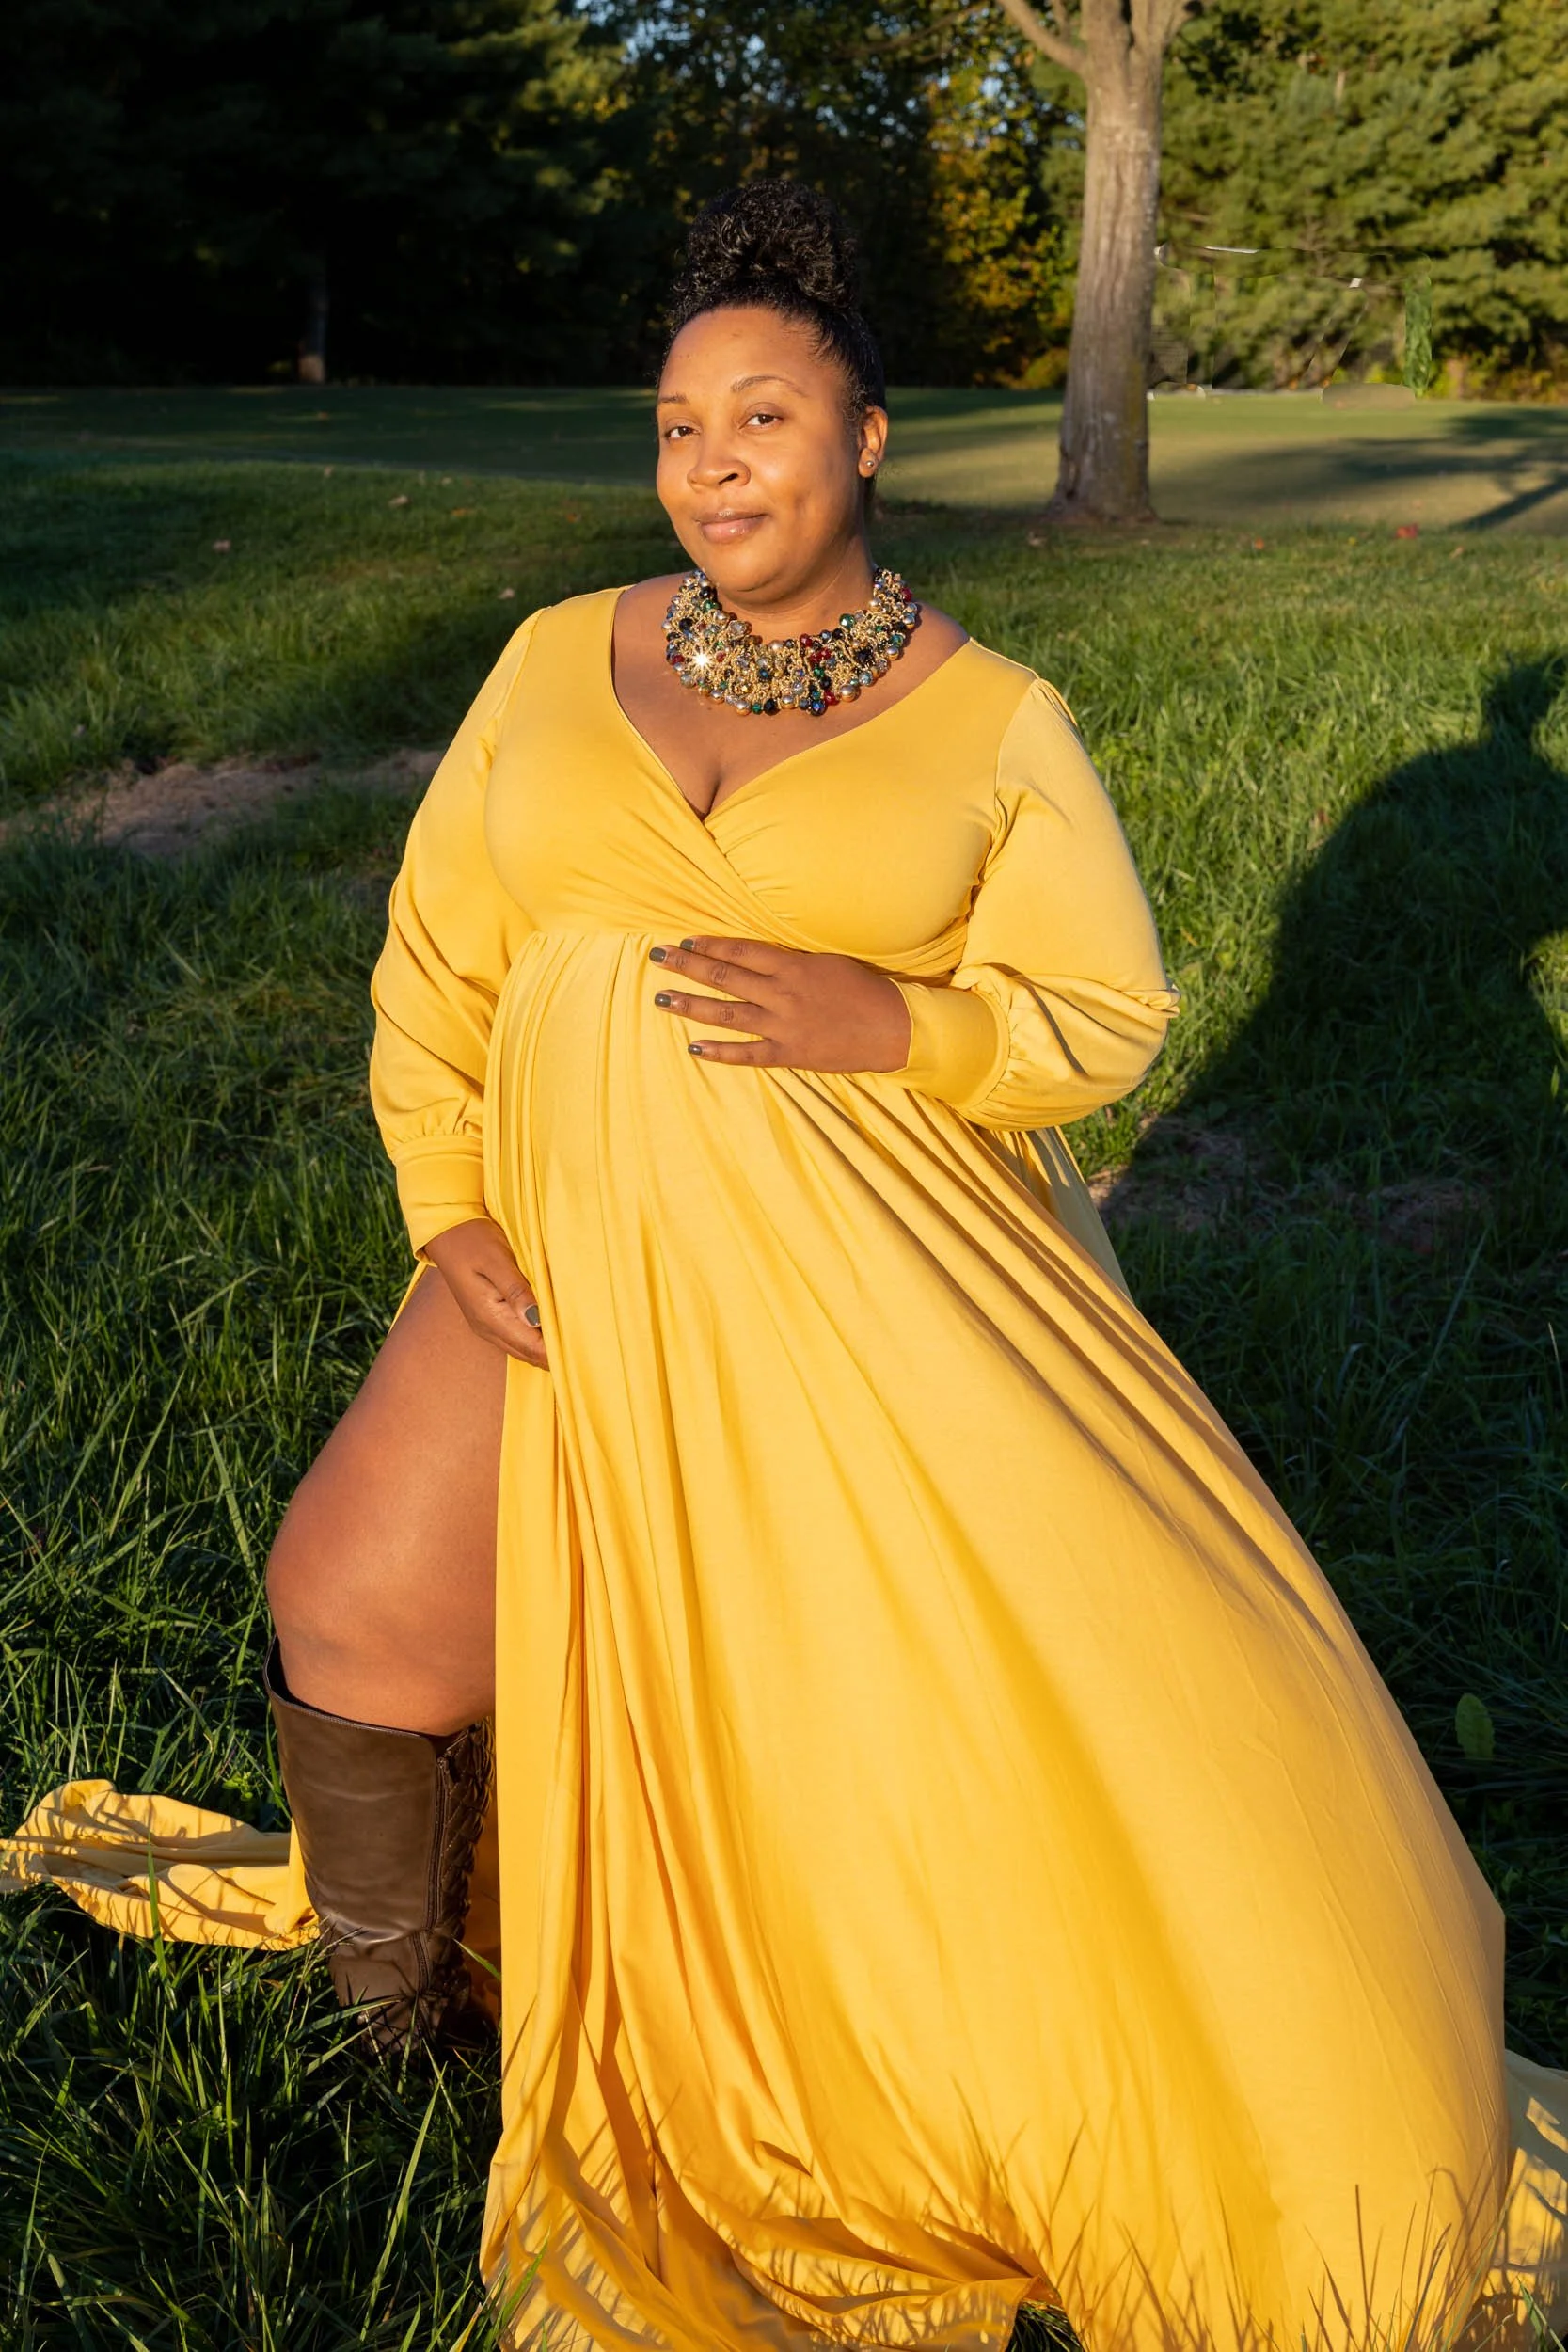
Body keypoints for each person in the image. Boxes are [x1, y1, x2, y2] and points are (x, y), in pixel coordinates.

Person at [7, 180, 1565, 2352]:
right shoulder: (558, 656)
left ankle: (928, 2047)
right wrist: (447, 1199)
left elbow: (1096, 1013)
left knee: (955, 1728)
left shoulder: (992, 714)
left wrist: (895, 1018)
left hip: (873, 1304)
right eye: (675, 425)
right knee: (351, 1586)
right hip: (560, 1252)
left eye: (758, 416)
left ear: (866, 438)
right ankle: (408, 2024)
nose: (709, 463)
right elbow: (439, 953)